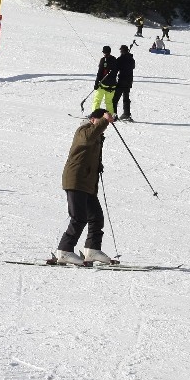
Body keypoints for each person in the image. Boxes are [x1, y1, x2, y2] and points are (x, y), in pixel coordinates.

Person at [51, 108, 116, 265]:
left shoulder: (96, 135)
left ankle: (92, 250)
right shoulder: (83, 130)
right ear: (93, 119)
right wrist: (104, 121)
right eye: (102, 121)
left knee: (96, 217)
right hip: (75, 180)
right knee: (78, 217)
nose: (104, 126)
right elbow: (87, 139)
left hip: (87, 183)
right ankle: (64, 251)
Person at [92, 46, 118, 113]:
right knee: (109, 102)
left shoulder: (103, 60)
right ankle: (110, 115)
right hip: (112, 85)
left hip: (103, 84)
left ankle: (95, 114)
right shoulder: (114, 59)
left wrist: (96, 83)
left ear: (104, 52)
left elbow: (100, 72)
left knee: (97, 100)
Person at [114, 43, 135, 120]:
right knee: (126, 97)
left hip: (122, 81)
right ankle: (127, 113)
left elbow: (116, 69)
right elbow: (133, 67)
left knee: (115, 99)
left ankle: (114, 114)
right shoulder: (131, 59)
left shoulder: (120, 59)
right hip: (129, 81)